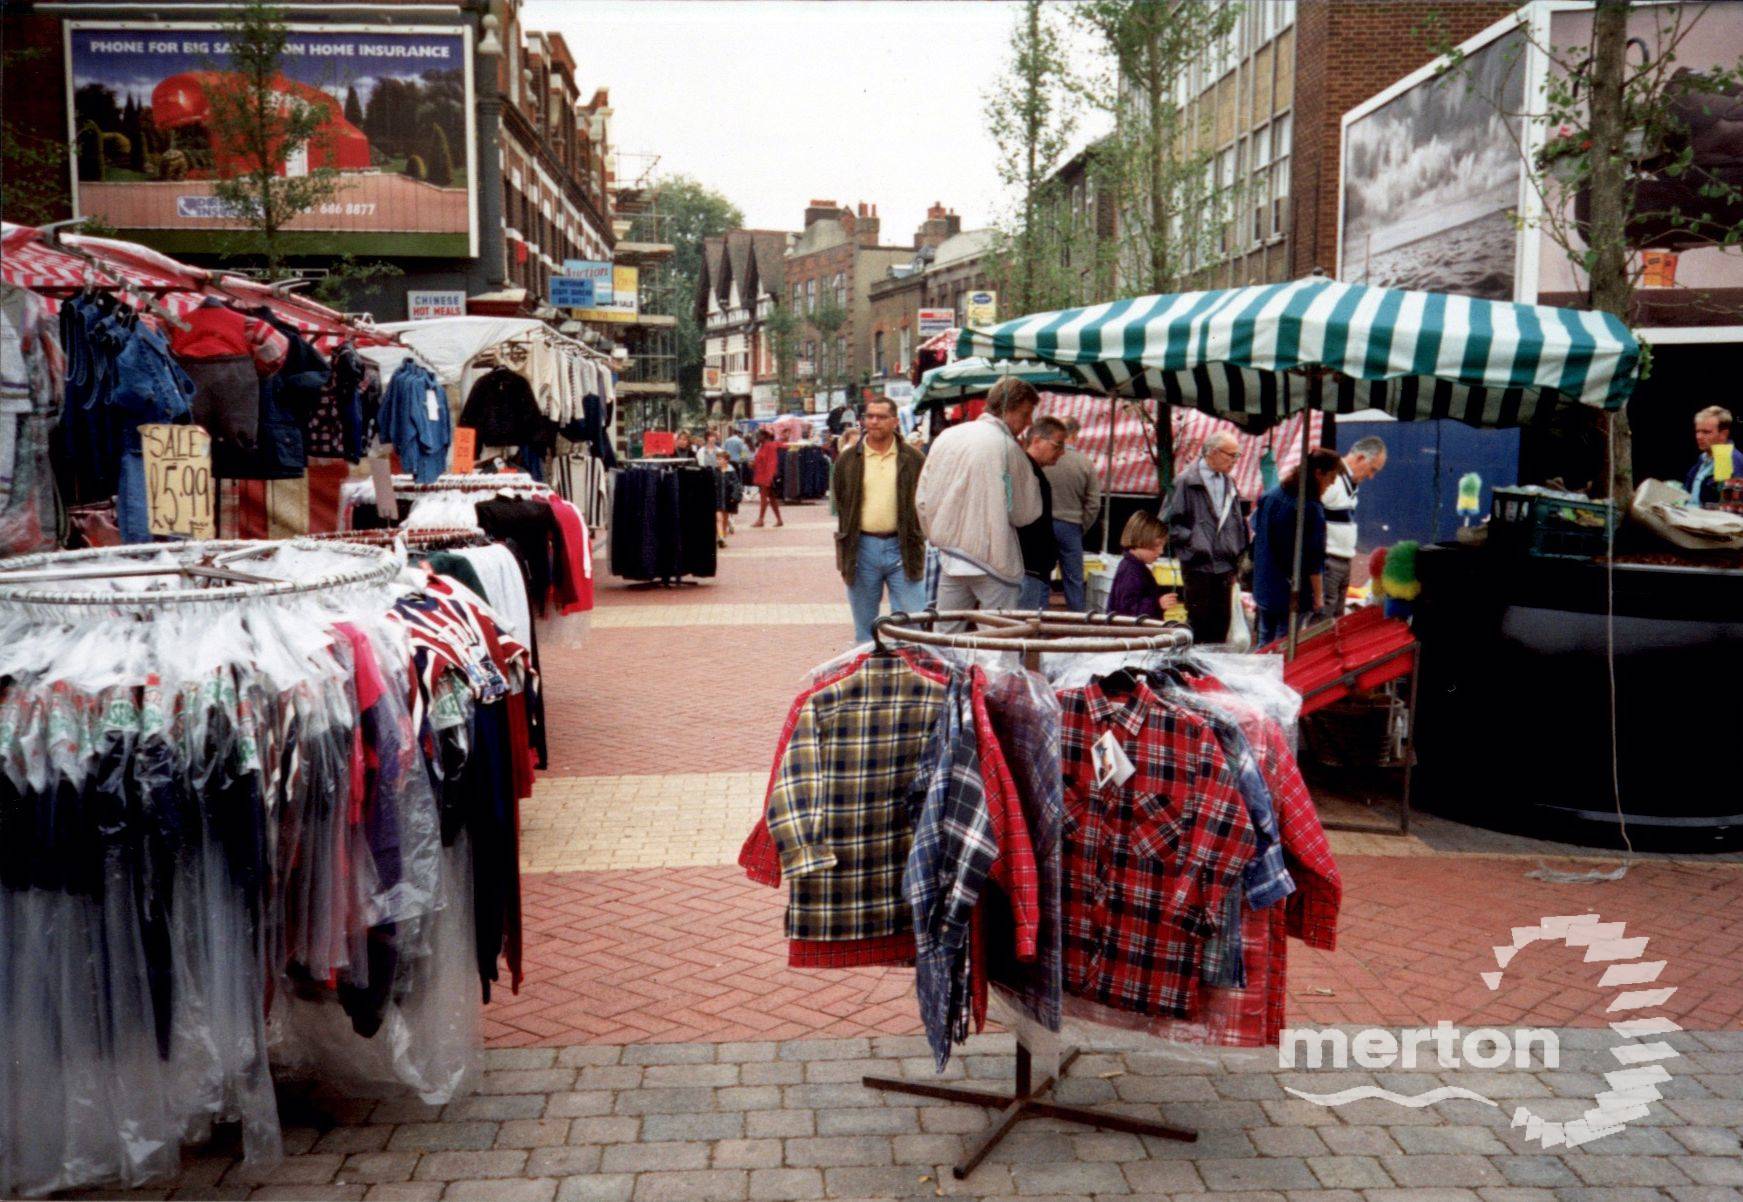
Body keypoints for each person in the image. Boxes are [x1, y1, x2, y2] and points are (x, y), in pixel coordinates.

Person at [916, 377, 1044, 614]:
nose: (1028, 422)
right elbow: (1024, 513)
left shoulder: (946, 438)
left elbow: (922, 499)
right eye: (1026, 414)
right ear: (1009, 409)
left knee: (946, 636)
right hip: (993, 560)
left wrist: (937, 534)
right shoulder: (1008, 448)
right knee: (999, 637)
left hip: (951, 556)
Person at [832, 397, 928, 643]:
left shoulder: (913, 459)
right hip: (862, 548)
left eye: (881, 417)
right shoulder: (848, 459)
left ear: (895, 421)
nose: (874, 422)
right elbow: (841, 502)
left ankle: (908, 677)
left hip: (903, 547)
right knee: (865, 630)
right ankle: (867, 677)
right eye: (869, 416)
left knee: (910, 626)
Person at [1163, 430, 1249, 645]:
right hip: (1198, 564)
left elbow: (1236, 521)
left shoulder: (1229, 483)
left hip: (1225, 566)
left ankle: (1212, 674)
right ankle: (1195, 672)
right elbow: (1168, 522)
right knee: (1199, 624)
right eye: (1231, 455)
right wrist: (1195, 542)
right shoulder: (1185, 481)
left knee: (1222, 625)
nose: (1235, 461)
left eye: (1237, 456)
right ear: (1213, 452)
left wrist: (1237, 548)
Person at [1251, 448, 1343, 646]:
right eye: (1332, 476)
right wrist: (1318, 597)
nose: (1333, 483)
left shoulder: (1270, 496)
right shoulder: (1310, 508)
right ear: (1318, 473)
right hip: (1291, 592)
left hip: (1265, 585)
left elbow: (1257, 534)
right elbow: (1313, 560)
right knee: (1284, 646)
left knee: (1264, 642)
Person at [1319, 435, 1388, 619]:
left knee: (1337, 619)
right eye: (1372, 469)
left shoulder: (1351, 483)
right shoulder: (1332, 479)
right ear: (1359, 458)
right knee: (1324, 622)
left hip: (1343, 561)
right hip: (1328, 561)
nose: (1371, 476)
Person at [1043, 416, 1102, 613]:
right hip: (1072, 526)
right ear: (1075, 435)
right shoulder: (1085, 463)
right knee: (1074, 580)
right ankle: (1077, 624)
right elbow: (1094, 502)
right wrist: (1081, 525)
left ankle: (1037, 622)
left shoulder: (1042, 460)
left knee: (1041, 576)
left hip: (1043, 525)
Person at [1016, 416, 1069, 609]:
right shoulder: (1026, 472)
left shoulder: (1031, 471)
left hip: (1033, 568)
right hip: (1028, 567)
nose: (1062, 452)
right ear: (1036, 440)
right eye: (1057, 445)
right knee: (1023, 628)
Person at [1106, 510, 1180, 620]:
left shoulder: (1134, 567)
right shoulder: (1131, 571)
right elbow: (1127, 611)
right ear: (1143, 540)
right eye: (1157, 545)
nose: (1161, 551)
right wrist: (1157, 603)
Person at [1685, 406, 1738, 505]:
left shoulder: (1725, 459)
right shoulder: (1704, 457)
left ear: (1723, 435)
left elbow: (1727, 510)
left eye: (1706, 432)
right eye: (1697, 431)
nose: (1699, 437)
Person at [751, 428, 785, 527]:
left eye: (758, 436)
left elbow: (771, 463)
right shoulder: (763, 446)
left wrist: (770, 477)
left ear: (764, 436)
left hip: (766, 476)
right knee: (772, 498)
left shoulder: (769, 446)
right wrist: (754, 464)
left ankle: (761, 519)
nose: (757, 438)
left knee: (763, 498)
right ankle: (779, 520)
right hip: (763, 475)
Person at [715, 450, 741, 543]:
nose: (718, 461)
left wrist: (734, 496)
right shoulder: (715, 471)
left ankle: (723, 537)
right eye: (717, 459)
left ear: (726, 460)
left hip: (727, 499)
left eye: (720, 459)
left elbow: (736, 485)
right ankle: (721, 537)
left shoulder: (731, 472)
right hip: (717, 499)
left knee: (725, 519)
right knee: (719, 518)